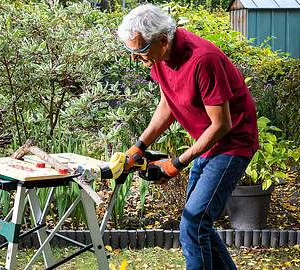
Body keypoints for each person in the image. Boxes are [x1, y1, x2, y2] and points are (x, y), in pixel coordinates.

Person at [117, 4, 259, 270]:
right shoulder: (159, 57)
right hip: (208, 144)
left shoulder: (203, 59)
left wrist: (176, 163)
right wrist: (139, 146)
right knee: (197, 223)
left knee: (194, 222)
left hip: (233, 143)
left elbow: (221, 125)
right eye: (132, 52)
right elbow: (168, 104)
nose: (135, 59)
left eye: (140, 51)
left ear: (162, 39)